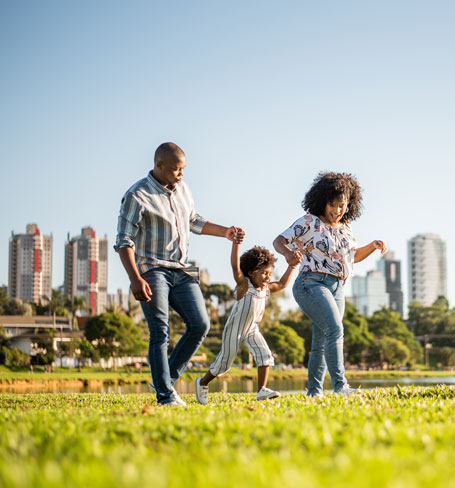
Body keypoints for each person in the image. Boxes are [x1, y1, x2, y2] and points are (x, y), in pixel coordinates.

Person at [115, 142, 244, 407]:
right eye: (176, 169)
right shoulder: (137, 195)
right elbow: (124, 241)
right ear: (159, 166)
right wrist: (135, 278)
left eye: (184, 169)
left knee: (201, 324)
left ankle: (164, 378)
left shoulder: (183, 189)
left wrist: (226, 232)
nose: (181, 174)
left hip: (182, 270)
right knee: (160, 331)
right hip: (152, 270)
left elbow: (194, 220)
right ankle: (165, 395)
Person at [273, 172, 386, 397]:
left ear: (349, 204)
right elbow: (279, 241)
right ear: (322, 201)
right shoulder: (309, 222)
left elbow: (351, 256)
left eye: (342, 205)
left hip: (337, 288)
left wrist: (372, 246)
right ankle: (340, 386)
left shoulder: (346, 226)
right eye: (332, 205)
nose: (337, 210)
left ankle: (314, 393)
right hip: (311, 284)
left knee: (322, 341)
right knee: (335, 329)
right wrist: (288, 254)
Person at [195, 236, 297, 404]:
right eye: (264, 273)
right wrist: (236, 244)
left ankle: (261, 390)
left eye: (269, 274)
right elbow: (235, 267)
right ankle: (202, 382)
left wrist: (292, 266)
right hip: (235, 330)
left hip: (252, 329)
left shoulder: (265, 288)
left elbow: (281, 284)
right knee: (224, 363)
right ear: (251, 272)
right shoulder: (244, 285)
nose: (267, 278)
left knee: (265, 355)